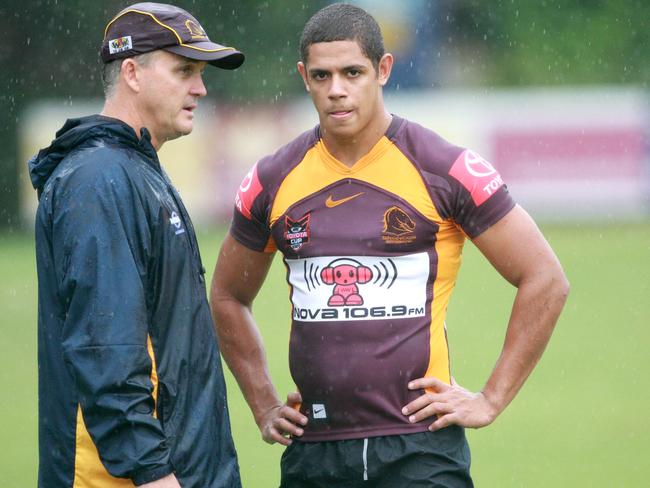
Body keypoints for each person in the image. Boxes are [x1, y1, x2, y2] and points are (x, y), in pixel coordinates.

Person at [211, 3, 569, 487]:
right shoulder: (272, 179)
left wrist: (490, 398)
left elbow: (545, 279)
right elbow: (228, 296)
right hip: (314, 450)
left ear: (383, 69)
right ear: (303, 76)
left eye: (352, 72)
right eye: (321, 75)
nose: (336, 89)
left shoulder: (443, 168)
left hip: (419, 449)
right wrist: (263, 403)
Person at [29, 3, 244, 487]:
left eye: (202, 73)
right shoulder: (100, 179)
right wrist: (153, 473)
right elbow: (107, 347)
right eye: (185, 70)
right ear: (132, 72)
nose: (201, 88)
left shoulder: (132, 169)